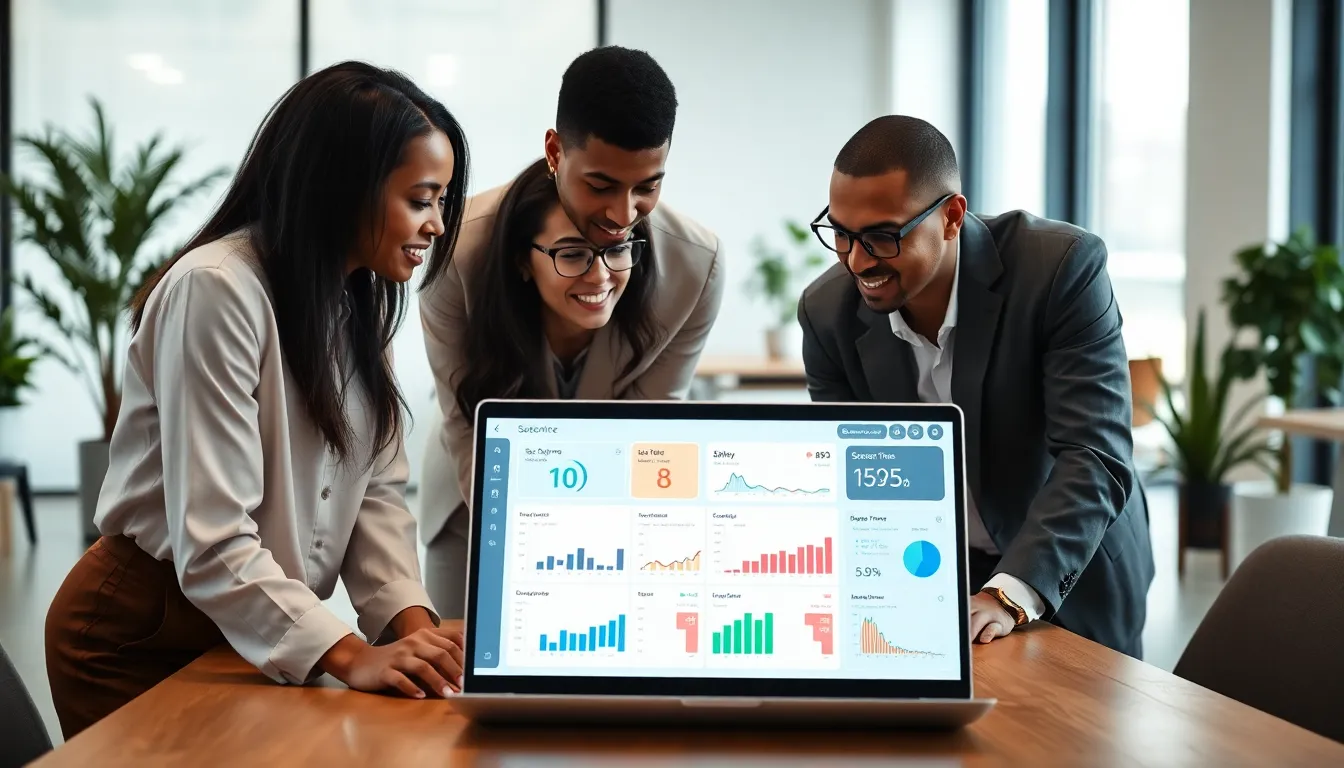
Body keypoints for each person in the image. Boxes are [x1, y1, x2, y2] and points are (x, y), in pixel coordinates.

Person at [44, 61, 473, 740]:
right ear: (345, 186)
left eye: (444, 201)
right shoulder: (216, 290)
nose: (438, 226)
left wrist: (416, 638)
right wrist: (354, 655)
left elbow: (377, 498)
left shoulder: (357, 299)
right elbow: (213, 537)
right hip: (139, 631)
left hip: (250, 625)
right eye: (422, 199)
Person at [797, 115, 1154, 657]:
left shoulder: (1060, 270)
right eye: (841, 234)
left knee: (1077, 738)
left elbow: (1094, 455)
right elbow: (854, 476)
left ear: (951, 217)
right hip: (931, 582)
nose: (857, 260)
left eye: (882, 237)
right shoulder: (828, 313)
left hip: (1066, 573)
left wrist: (1009, 593)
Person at [418, 45, 724, 617]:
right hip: (476, 499)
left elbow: (650, 425)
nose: (622, 213)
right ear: (555, 151)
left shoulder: (695, 266)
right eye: (602, 184)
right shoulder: (457, 254)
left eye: (646, 188)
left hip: (615, 508)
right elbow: (466, 421)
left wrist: (590, 547)